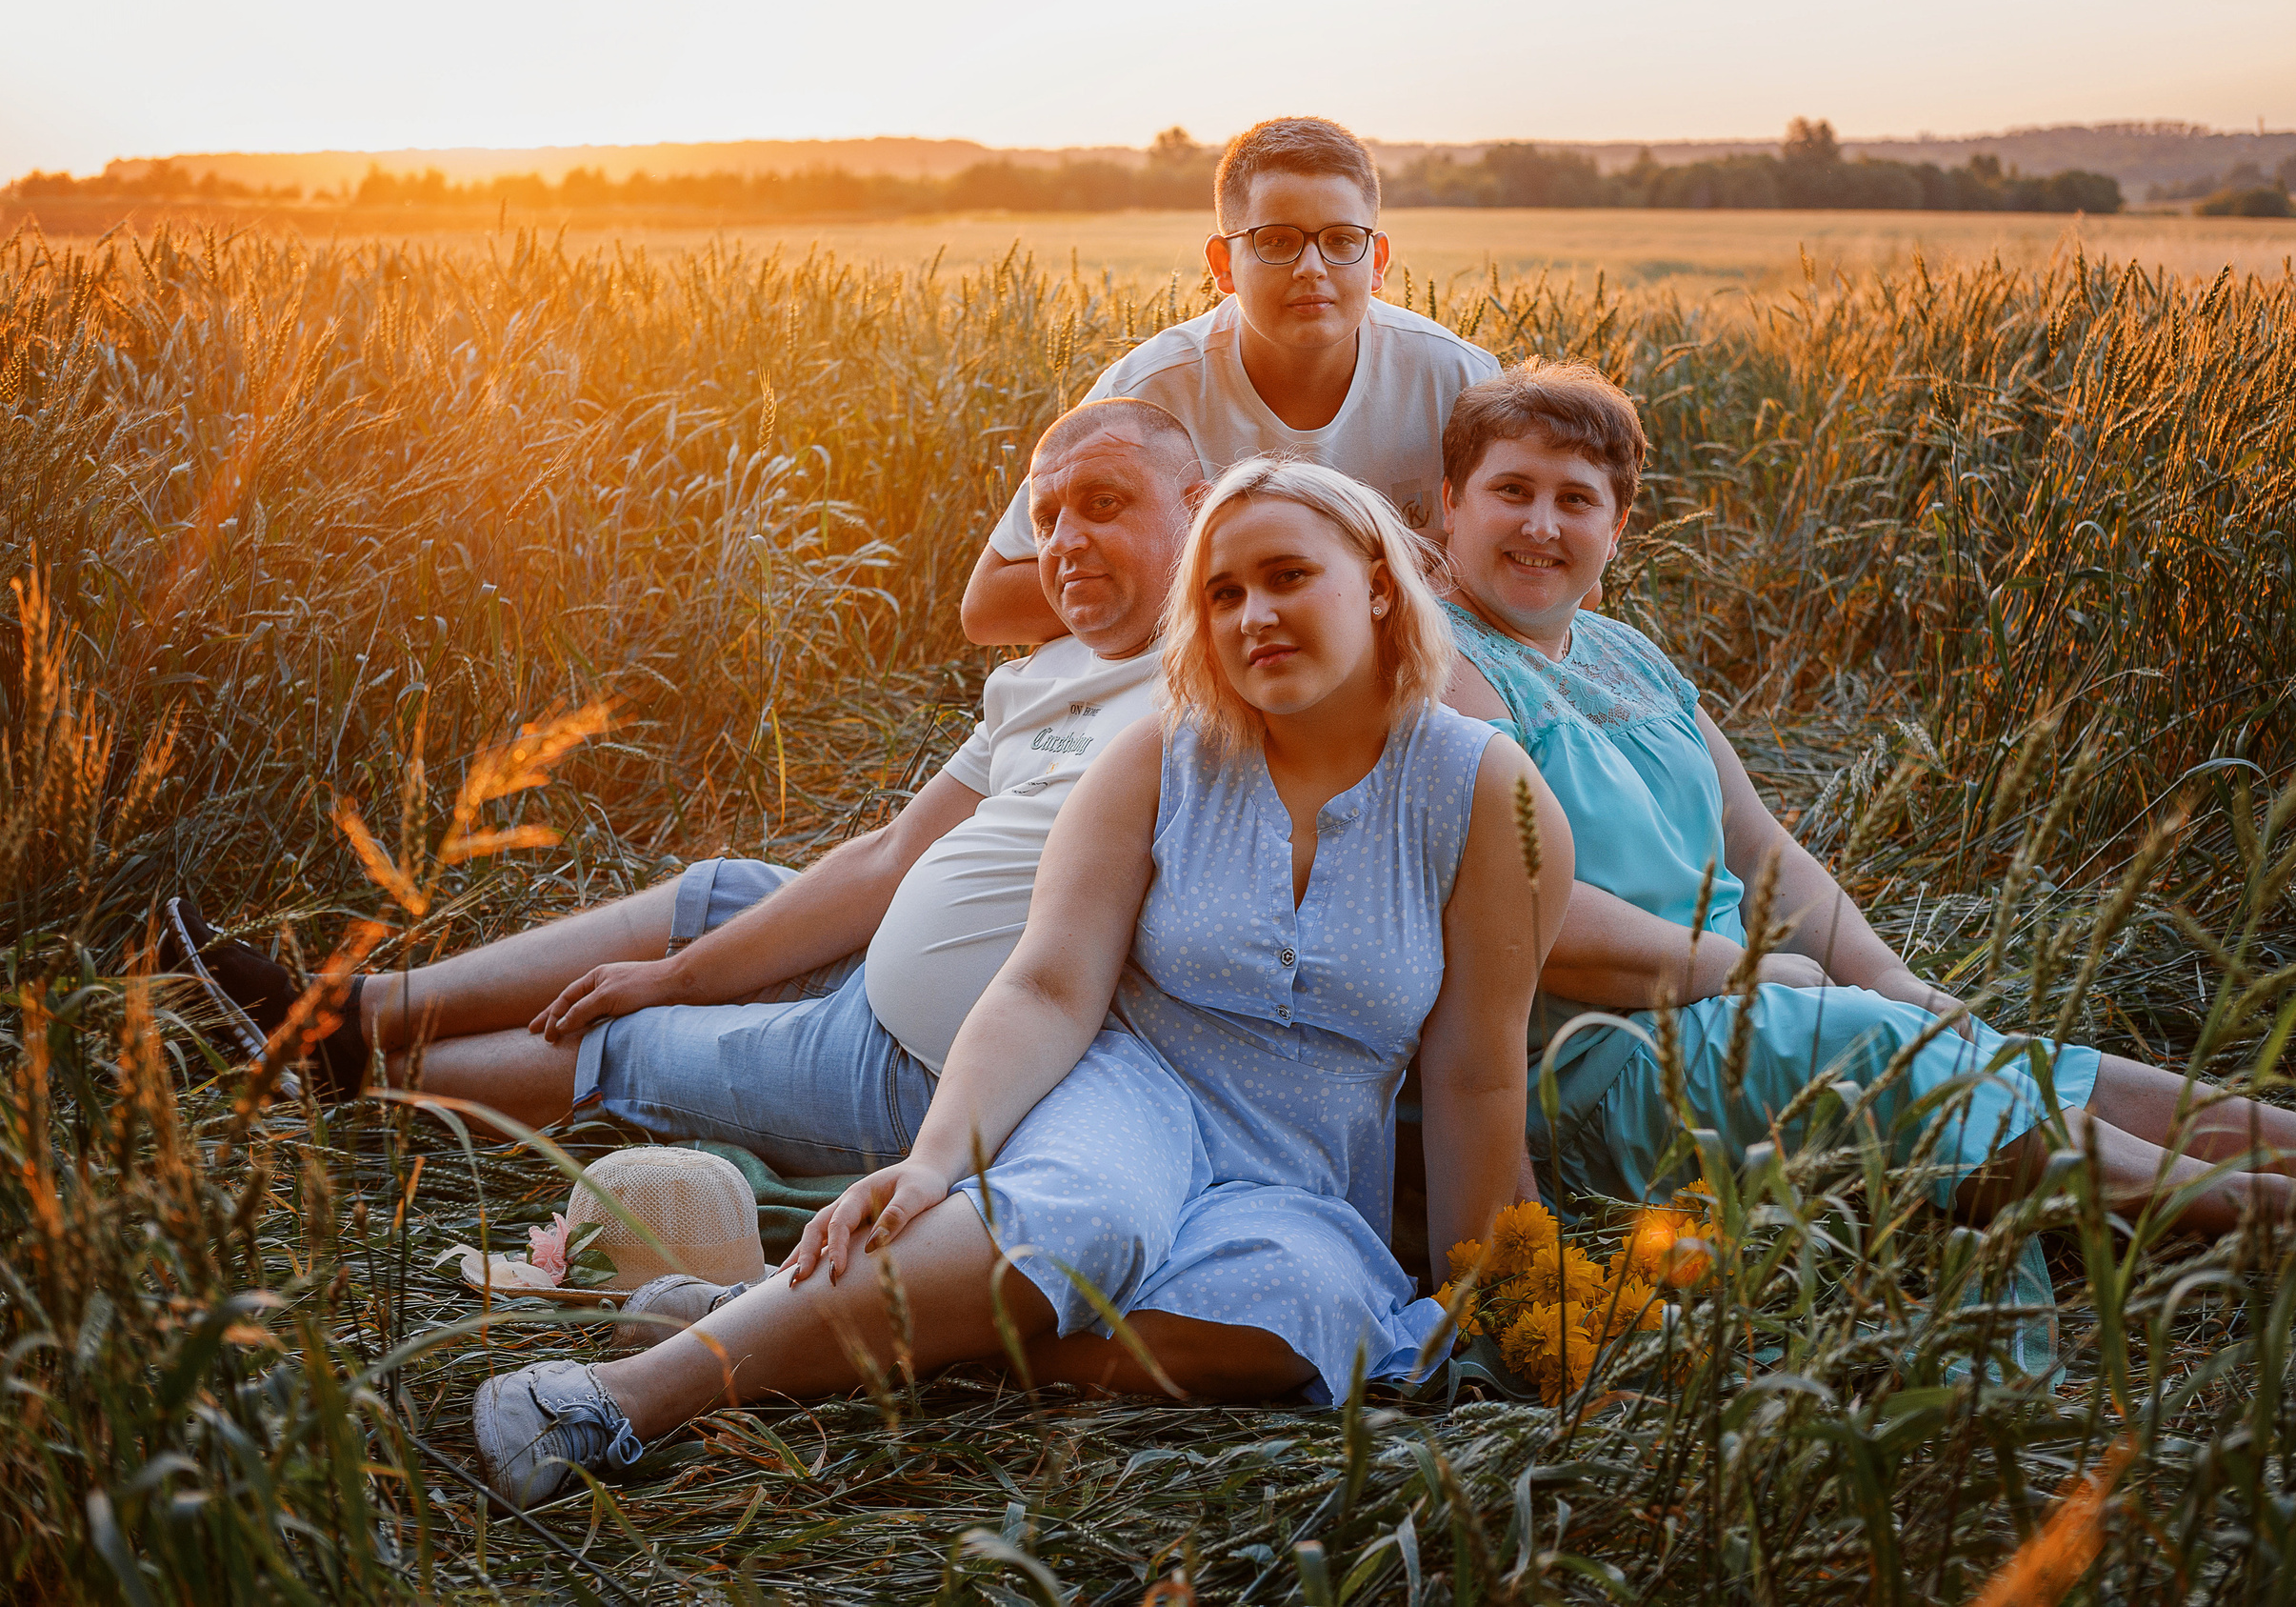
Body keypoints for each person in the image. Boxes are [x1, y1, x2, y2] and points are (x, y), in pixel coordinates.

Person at [468, 457, 1573, 1509]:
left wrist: (1493, 1297)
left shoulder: (1479, 792)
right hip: (1135, 1089)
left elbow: (1476, 1068)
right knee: (1081, 1216)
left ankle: (792, 1323)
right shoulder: (1161, 757)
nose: (1253, 616)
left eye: (1289, 577)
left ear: (1378, 587)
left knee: (1307, 1315)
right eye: (1223, 592)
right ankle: (615, 1398)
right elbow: (1048, 986)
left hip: (1305, 1163)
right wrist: (936, 1162)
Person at [1433, 358, 2296, 1240]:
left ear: (1617, 528)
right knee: (1864, 1040)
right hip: (1600, 1068)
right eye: (1510, 490)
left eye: (1575, 499)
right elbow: (1529, 918)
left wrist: (1898, 984)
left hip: (1746, 1009)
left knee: (1999, 1050)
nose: (1540, 524)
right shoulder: (1446, 666)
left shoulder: (1626, 656)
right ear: (1448, 507)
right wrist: (1757, 976)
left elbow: (1758, 849)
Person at [167, 397, 1199, 1188]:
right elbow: (889, 857)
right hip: (872, 982)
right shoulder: (1046, 670)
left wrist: (671, 992)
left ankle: (349, 1083)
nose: (1064, 543)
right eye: (1049, 514)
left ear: (1200, 511)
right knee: (719, 891)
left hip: (939, 1072)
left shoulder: (1223, 680)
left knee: (629, 1041)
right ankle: (354, 1013)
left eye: (1104, 505)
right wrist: (691, 966)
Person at [960, 115, 1498, 647]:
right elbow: (989, 605)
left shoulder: (1456, 377)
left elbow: (1555, 576)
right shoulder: (1149, 390)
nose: (1313, 266)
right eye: (1277, 241)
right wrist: (1242, 591)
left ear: (1377, 260)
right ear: (1223, 263)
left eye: (1340, 240)